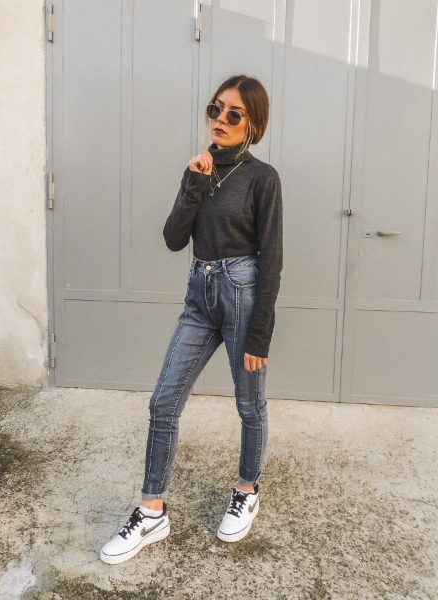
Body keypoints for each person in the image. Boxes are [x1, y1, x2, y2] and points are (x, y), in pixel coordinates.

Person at [100, 74, 283, 565]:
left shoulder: (262, 178)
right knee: (163, 402)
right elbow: (173, 238)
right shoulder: (200, 170)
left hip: (243, 295)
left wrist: (260, 334)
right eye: (215, 109)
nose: (220, 119)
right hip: (199, 295)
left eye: (233, 113)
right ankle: (152, 512)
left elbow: (271, 258)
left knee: (249, 404)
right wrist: (193, 184)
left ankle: (246, 490)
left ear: (253, 124)